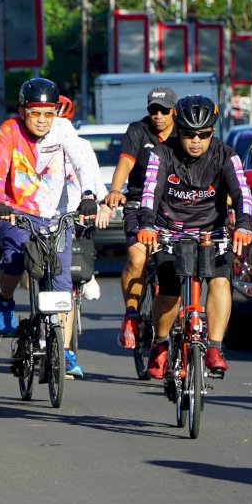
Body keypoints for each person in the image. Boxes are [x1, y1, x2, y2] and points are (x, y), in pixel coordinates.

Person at [0, 78, 98, 377]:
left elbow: (80, 161)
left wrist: (89, 194)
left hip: (57, 215)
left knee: (62, 282)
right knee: (13, 260)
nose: (42, 120)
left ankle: (62, 349)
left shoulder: (63, 129)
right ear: (23, 112)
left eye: (48, 113)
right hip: (18, 211)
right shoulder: (9, 130)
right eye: (35, 113)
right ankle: (6, 301)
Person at [136, 95, 252, 377]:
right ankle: (161, 342)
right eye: (189, 134)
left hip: (211, 233)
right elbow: (150, 191)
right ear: (179, 130)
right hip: (168, 231)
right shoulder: (161, 154)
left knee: (221, 282)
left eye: (203, 134)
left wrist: (245, 224)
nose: (196, 140)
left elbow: (242, 193)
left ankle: (213, 345)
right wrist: (147, 225)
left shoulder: (227, 155)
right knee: (170, 289)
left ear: (213, 132)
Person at [105, 87, 178, 351]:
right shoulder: (138, 131)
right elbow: (125, 163)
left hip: (174, 205)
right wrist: (115, 190)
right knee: (137, 259)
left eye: (164, 110)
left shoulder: (184, 133)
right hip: (138, 202)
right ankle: (132, 315)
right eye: (153, 110)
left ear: (174, 110)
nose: (158, 115)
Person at [55, 94, 110, 377]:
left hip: (75, 215)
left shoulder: (82, 147)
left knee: (70, 282)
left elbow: (93, 179)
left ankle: (64, 349)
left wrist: (100, 204)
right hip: (44, 218)